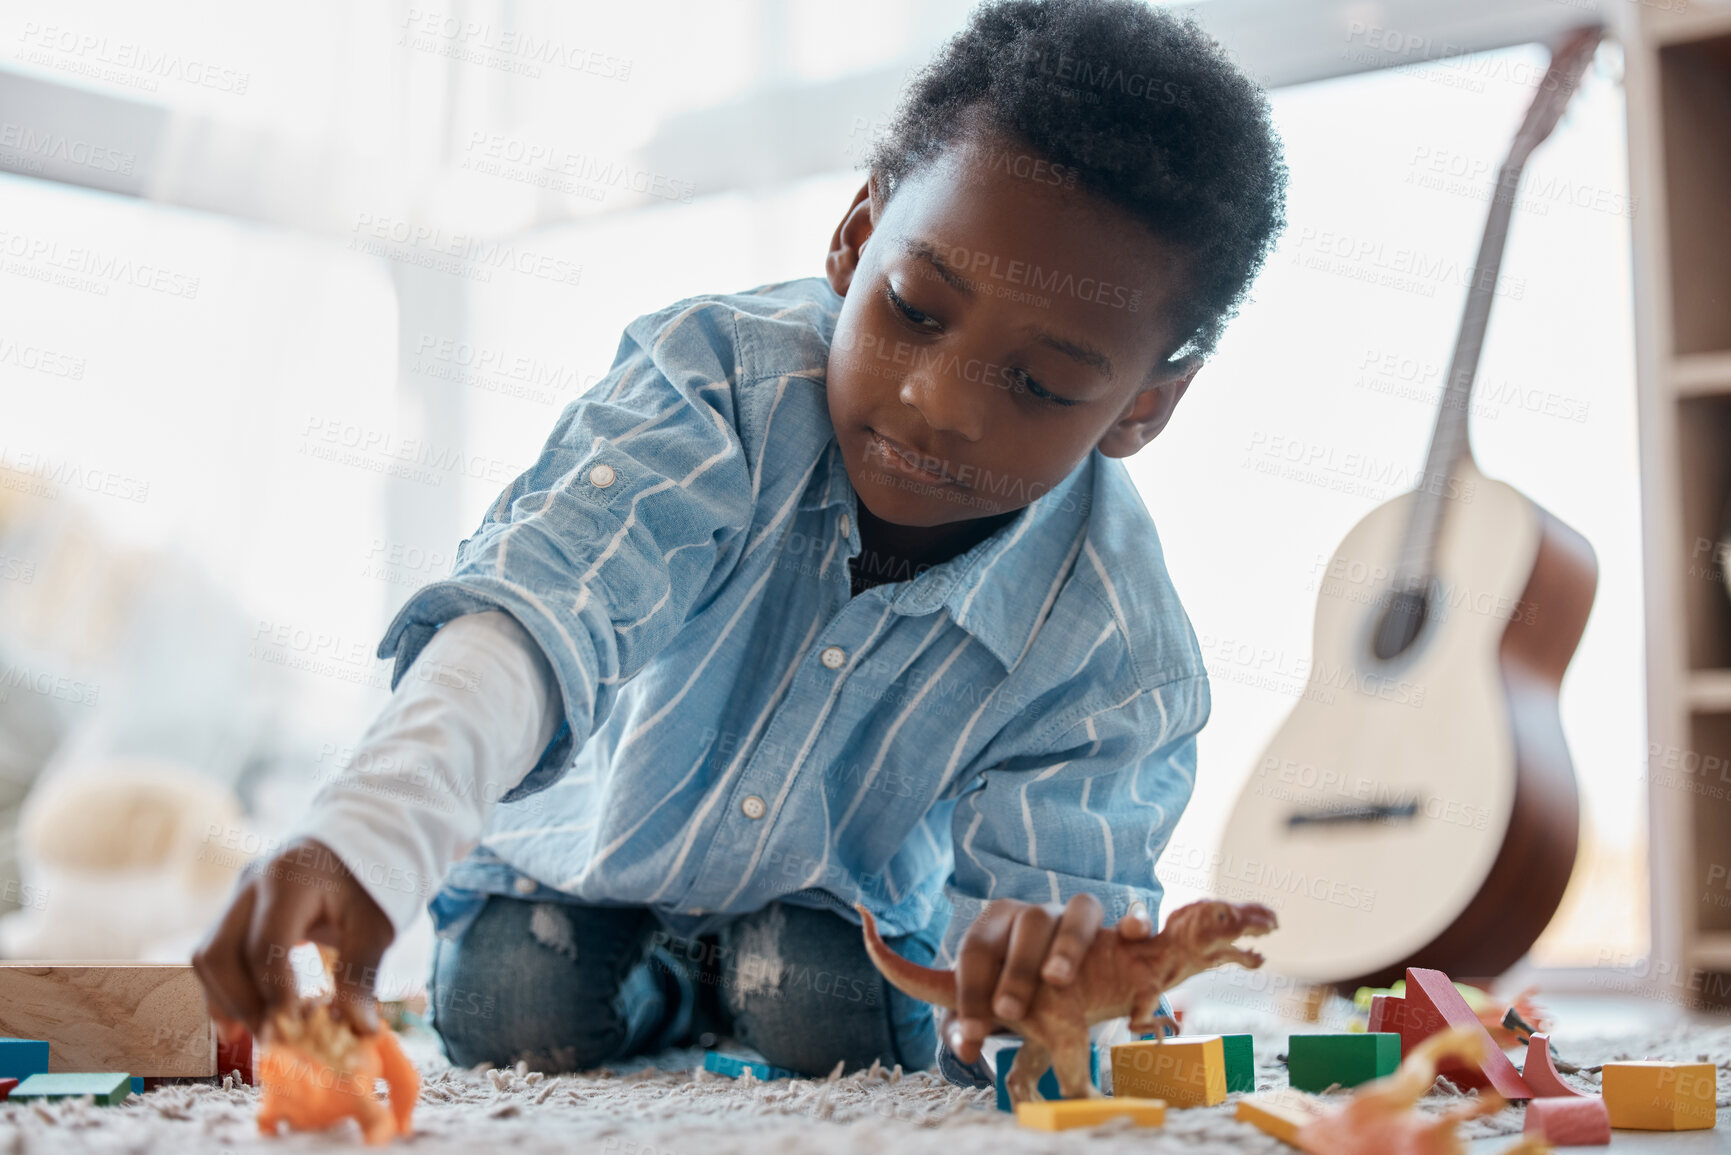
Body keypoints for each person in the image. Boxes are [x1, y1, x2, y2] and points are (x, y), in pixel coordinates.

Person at [193, 0, 1287, 1086]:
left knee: (835, 1020)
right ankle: (663, 987)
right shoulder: (713, 388)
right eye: (914, 308)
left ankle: (744, 985)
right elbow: (536, 612)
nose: (940, 404)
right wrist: (366, 831)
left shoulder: (1116, 647)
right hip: (586, 870)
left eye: (1043, 384)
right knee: (507, 1005)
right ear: (857, 240)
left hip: (835, 912)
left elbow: (1060, 955)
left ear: (1144, 407)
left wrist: (1030, 987)